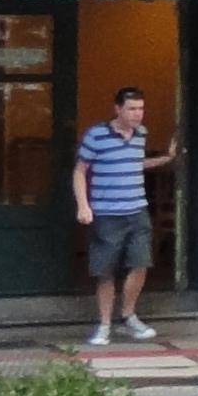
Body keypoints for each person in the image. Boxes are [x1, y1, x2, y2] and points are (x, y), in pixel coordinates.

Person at [75, 85, 176, 349]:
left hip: (137, 210)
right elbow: (80, 171)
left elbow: (134, 164)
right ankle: (104, 325)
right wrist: (83, 206)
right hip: (106, 213)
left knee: (141, 263)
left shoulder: (141, 134)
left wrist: (165, 159)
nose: (137, 114)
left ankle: (128, 315)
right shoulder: (96, 135)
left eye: (141, 109)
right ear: (117, 109)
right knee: (105, 271)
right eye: (131, 109)